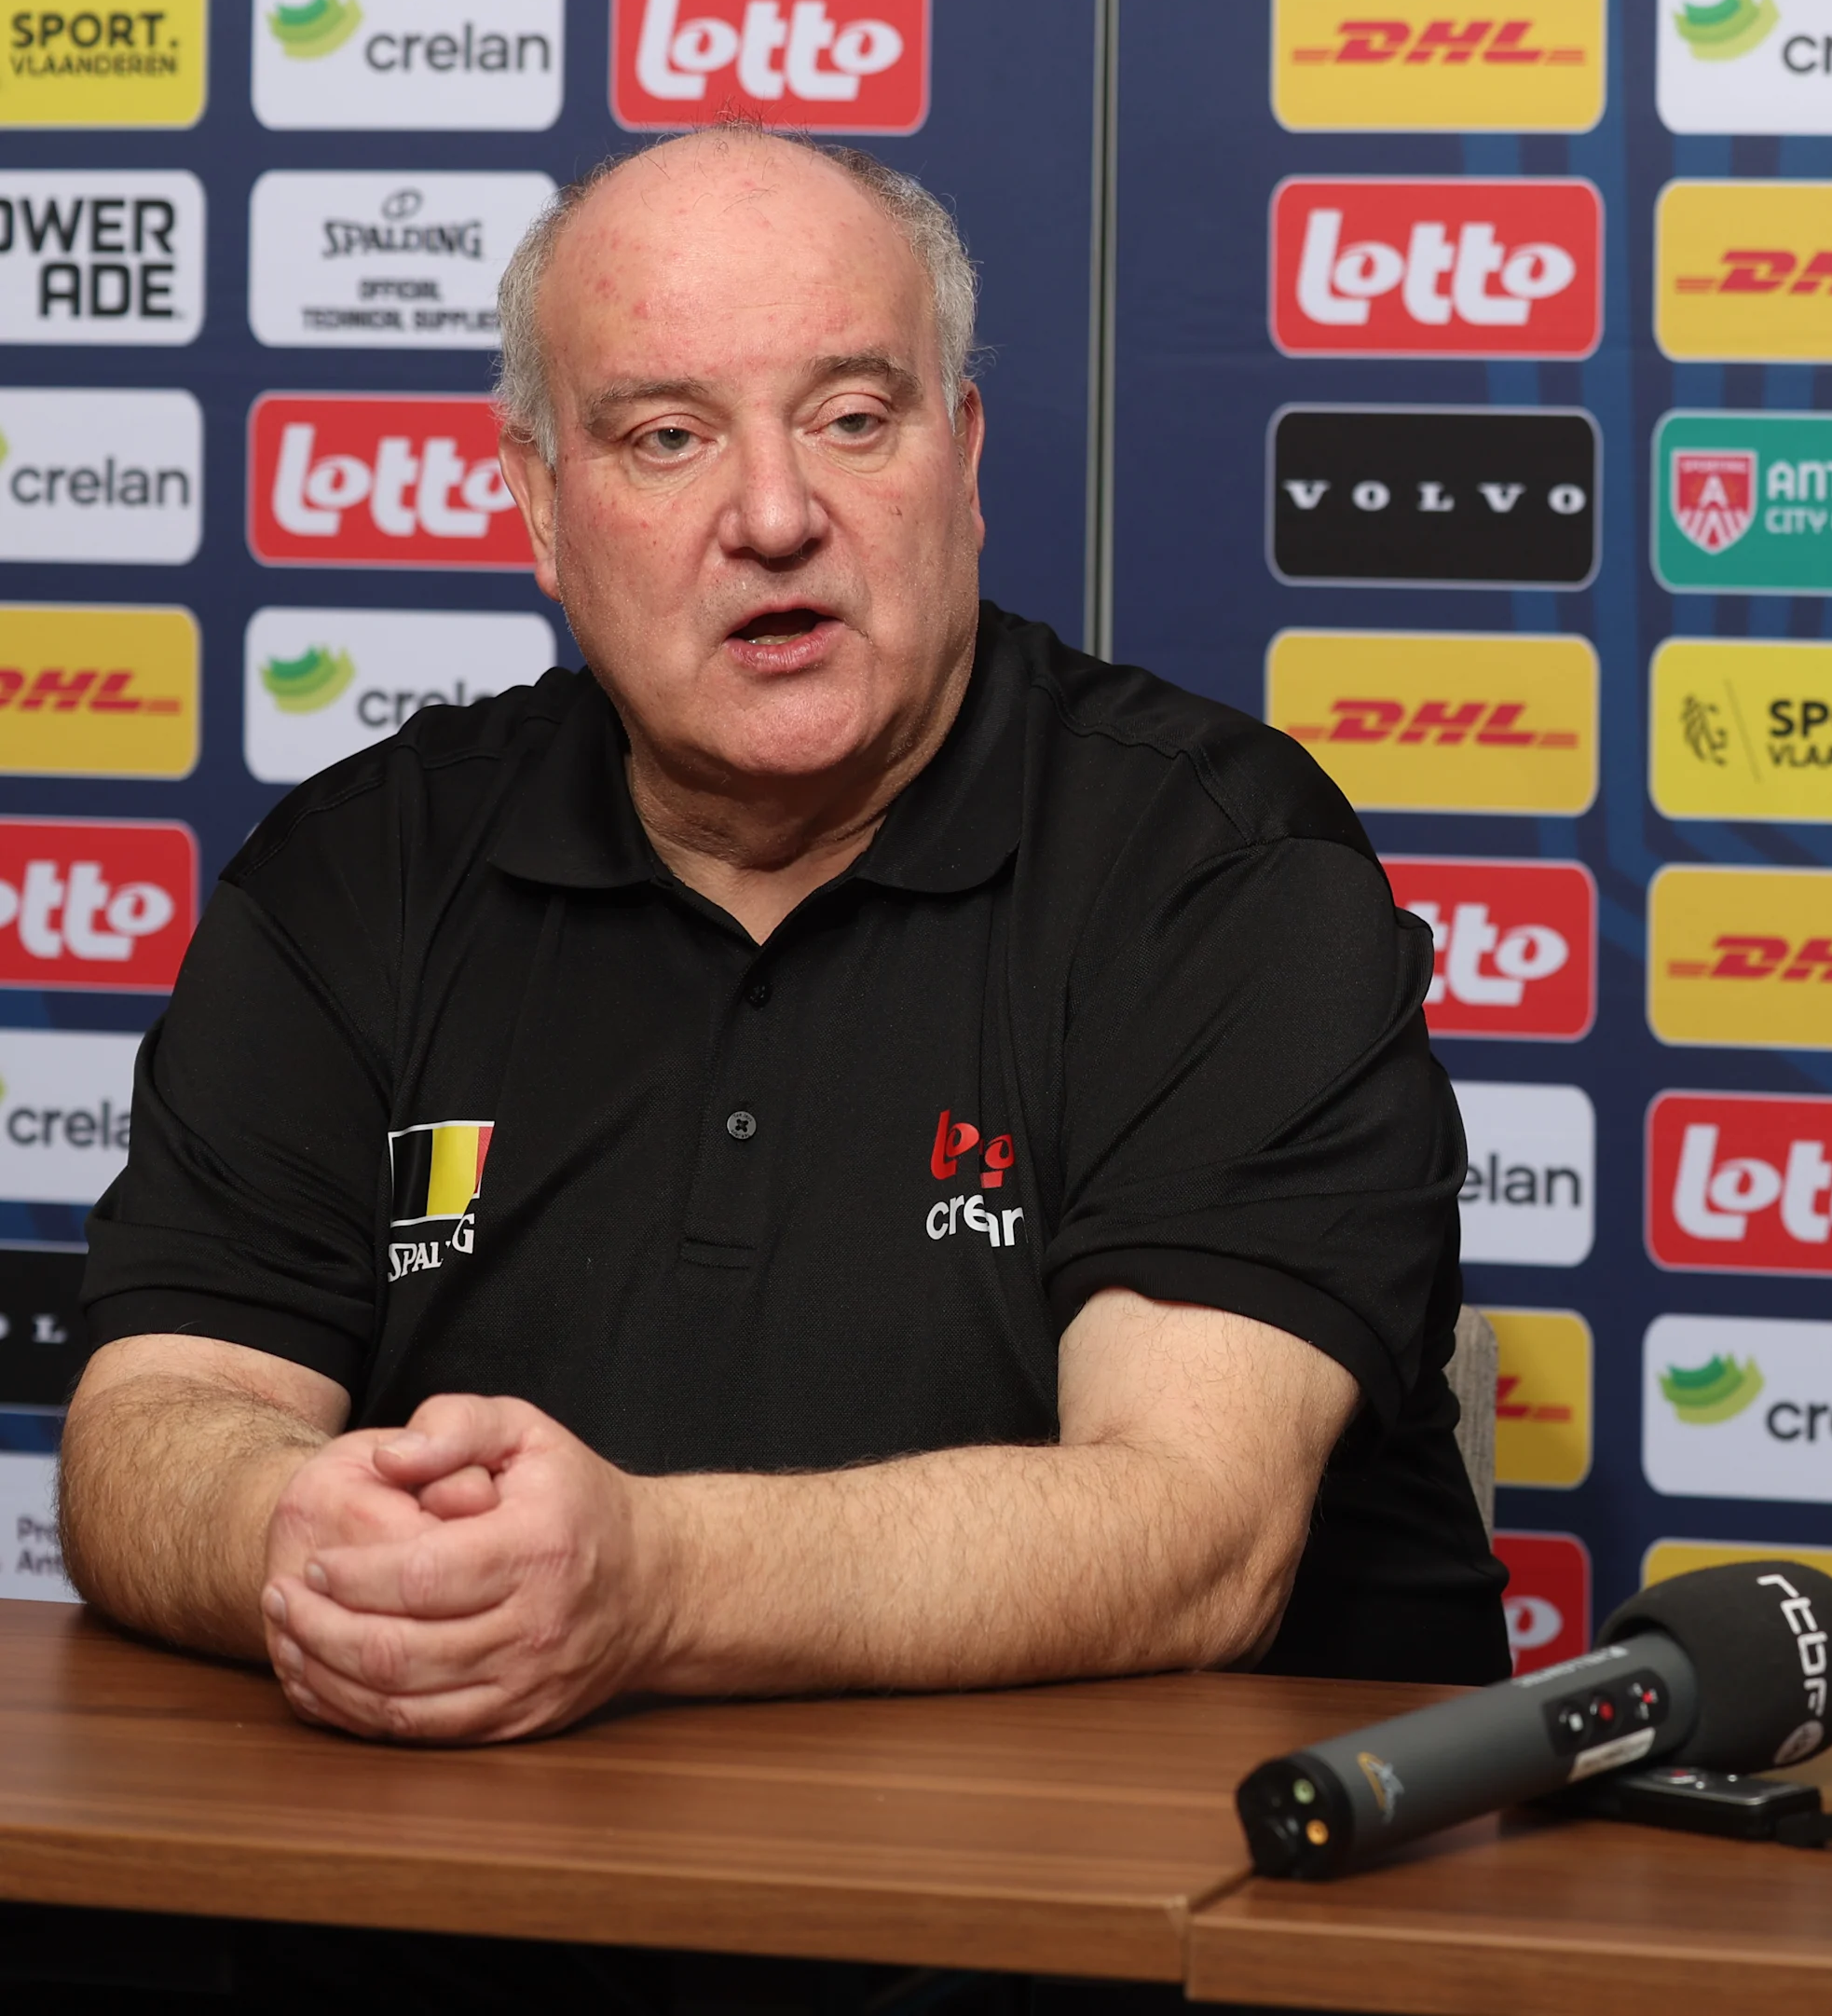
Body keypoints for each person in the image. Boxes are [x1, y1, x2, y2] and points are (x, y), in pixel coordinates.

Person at [60, 124, 1507, 1746]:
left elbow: (1194, 1537)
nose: (772, 512)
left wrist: (650, 1580)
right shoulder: (356, 873)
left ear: (961, 463)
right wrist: (305, 1534)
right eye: (668, 437)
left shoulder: (1220, 865)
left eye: (852, 419)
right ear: (540, 510)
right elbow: (151, 1431)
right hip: (489, 1900)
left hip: (1085, 1930)